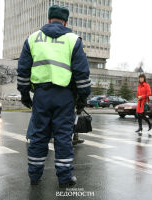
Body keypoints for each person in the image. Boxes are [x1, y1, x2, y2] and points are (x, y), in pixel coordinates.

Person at [17, 5, 91, 187]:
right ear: (65, 21)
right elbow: (82, 74)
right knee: (63, 137)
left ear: (49, 19)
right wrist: (82, 99)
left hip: (41, 95)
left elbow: (23, 70)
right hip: (65, 96)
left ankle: (34, 176)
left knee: (39, 135)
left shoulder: (33, 39)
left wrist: (25, 94)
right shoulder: (73, 40)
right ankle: (65, 178)